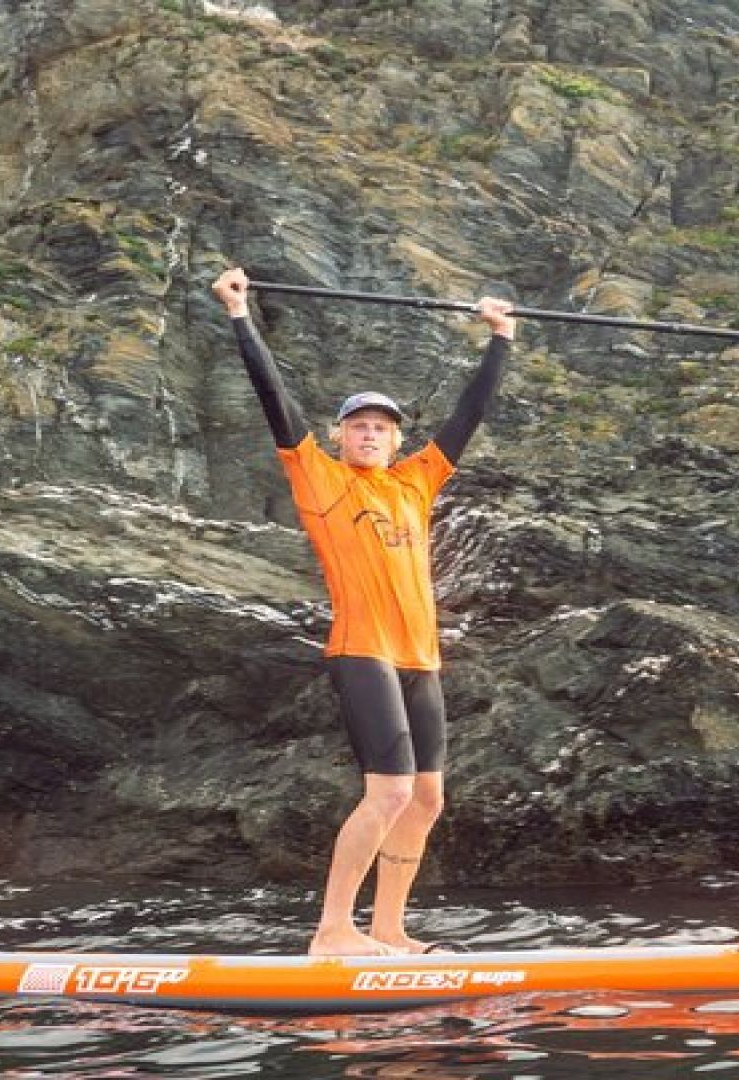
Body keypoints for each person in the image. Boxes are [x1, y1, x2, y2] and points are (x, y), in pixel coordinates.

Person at [211, 266, 515, 957]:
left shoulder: (416, 483)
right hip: (363, 651)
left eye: (381, 427)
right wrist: (240, 316)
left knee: (427, 798)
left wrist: (500, 339)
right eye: (359, 426)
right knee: (389, 793)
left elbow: (468, 417)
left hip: (420, 658)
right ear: (340, 436)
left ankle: (387, 930)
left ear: (396, 440)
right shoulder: (320, 480)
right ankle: (332, 932)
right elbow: (276, 402)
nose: (371, 434)